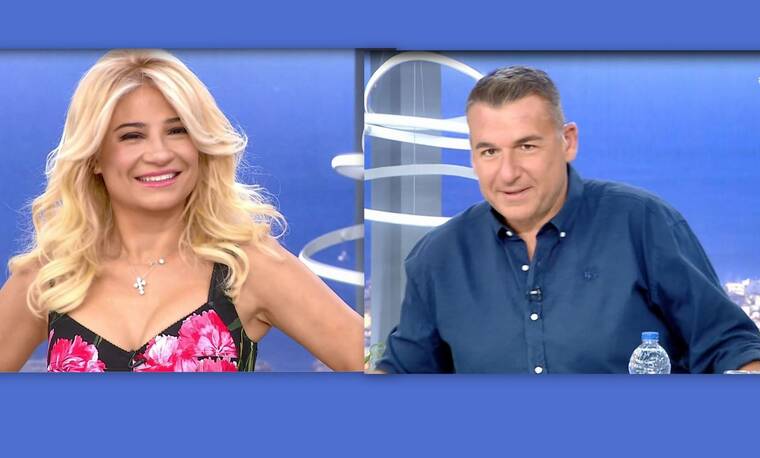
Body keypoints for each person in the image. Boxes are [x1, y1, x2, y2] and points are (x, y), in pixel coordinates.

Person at [374, 65, 760, 374]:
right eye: (489, 151)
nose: (508, 173)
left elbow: (730, 346)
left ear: (568, 141)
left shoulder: (642, 223)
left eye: (526, 146)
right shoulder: (438, 257)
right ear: (473, 156)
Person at [0, 50, 363, 372]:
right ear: (94, 156)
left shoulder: (248, 267)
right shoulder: (51, 276)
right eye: (132, 136)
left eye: (178, 131)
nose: (160, 154)